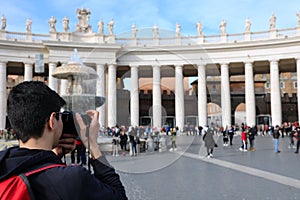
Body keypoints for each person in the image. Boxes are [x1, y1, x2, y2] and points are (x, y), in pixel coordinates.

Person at [0, 81, 127, 200]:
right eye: (60, 117)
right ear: (52, 121)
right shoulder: (72, 178)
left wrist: (52, 158)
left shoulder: (3, 163)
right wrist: (93, 145)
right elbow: (119, 196)